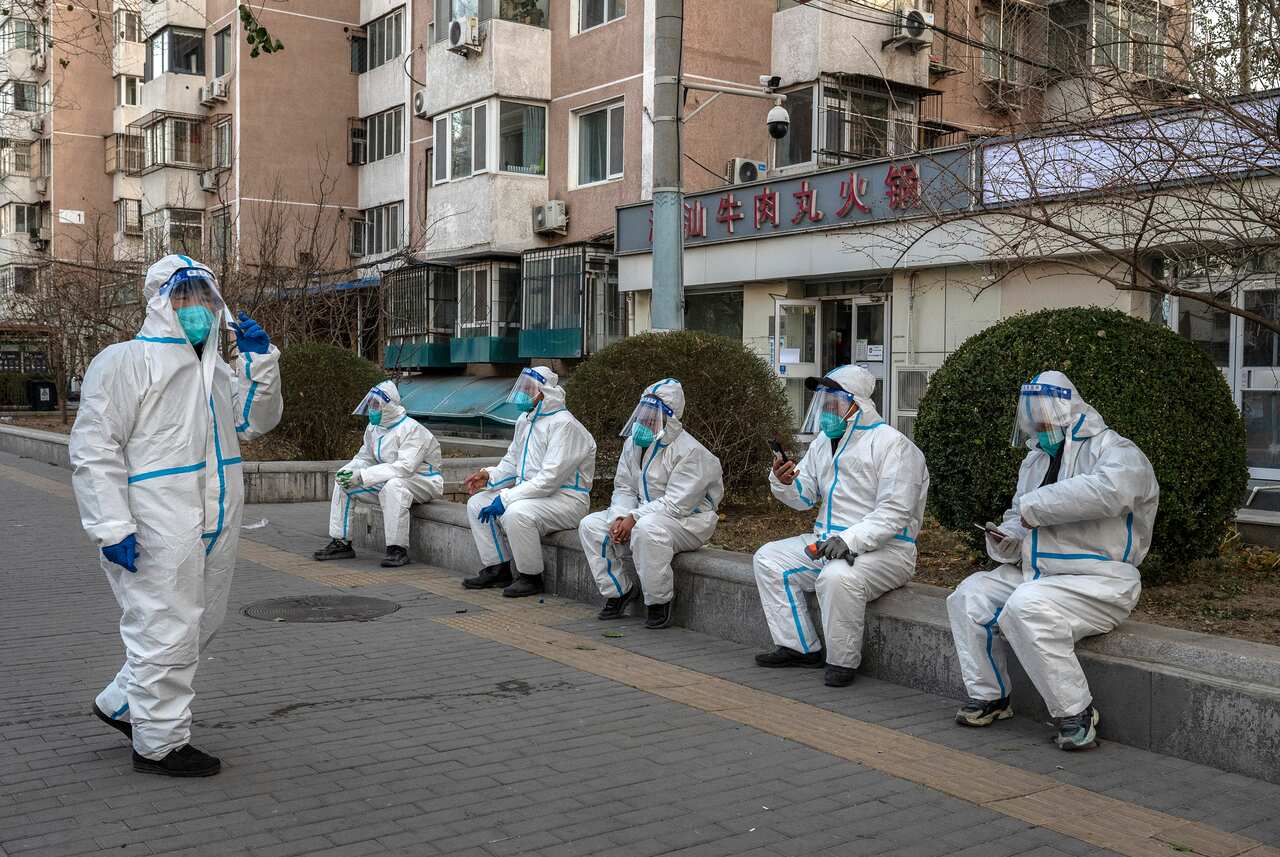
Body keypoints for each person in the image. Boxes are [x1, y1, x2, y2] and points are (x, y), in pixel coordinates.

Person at [70, 255, 282, 777]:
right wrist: (110, 525)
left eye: (206, 299)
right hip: (155, 523)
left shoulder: (215, 370)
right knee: (164, 629)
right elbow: (95, 448)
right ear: (161, 302)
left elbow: (255, 421)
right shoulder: (125, 362)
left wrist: (260, 362)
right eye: (186, 298)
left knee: (199, 624)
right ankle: (159, 744)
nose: (199, 310)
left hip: (216, 517)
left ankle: (123, 705)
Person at [946, 370, 1158, 750]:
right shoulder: (1036, 461)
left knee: (1026, 607)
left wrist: (1033, 509)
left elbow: (1107, 492)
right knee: (968, 595)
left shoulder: (1116, 451)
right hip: (1039, 572)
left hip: (1097, 580)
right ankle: (991, 696)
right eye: (1032, 421)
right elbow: (1020, 515)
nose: (1036, 429)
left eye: (1042, 420)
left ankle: (1076, 712)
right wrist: (1007, 538)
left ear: (1066, 411)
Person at [752, 365, 929, 688]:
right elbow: (804, 496)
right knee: (768, 559)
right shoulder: (824, 443)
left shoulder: (894, 446)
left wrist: (849, 540)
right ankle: (800, 647)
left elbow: (894, 513)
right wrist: (782, 481)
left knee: (837, 577)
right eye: (823, 401)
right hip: (828, 543)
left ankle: (841, 661)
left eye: (833, 402)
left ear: (857, 404)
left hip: (888, 551)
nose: (826, 409)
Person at [577, 379, 724, 629]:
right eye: (642, 413)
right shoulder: (633, 443)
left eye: (651, 415)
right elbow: (624, 486)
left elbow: (677, 505)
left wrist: (634, 518)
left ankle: (658, 602)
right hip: (646, 514)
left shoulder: (692, 453)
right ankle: (618, 591)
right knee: (590, 525)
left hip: (688, 521)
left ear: (670, 417)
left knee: (648, 530)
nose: (643, 421)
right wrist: (619, 518)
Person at [460, 366, 596, 598]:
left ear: (545, 392)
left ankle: (531, 577)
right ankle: (498, 568)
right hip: (534, 495)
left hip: (566, 500)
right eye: (521, 387)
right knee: (476, 503)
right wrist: (489, 476)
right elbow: (513, 461)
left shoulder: (565, 425)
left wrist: (507, 497)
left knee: (516, 513)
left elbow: (549, 480)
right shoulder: (525, 420)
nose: (522, 392)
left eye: (528, 389)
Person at [313, 381, 444, 568]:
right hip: (389, 478)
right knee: (345, 484)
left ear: (388, 406)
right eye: (371, 405)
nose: (371, 410)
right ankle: (341, 542)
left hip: (424, 481)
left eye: (376, 405)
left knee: (394, 487)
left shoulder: (411, 429)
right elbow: (365, 457)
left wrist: (363, 475)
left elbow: (404, 468)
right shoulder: (374, 428)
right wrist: (349, 471)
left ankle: (397, 549)